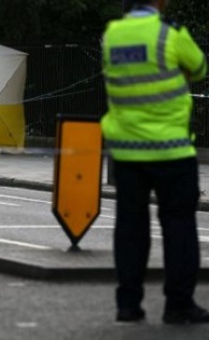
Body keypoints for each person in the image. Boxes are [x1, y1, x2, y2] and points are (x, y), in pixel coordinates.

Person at [101, 0, 209, 324]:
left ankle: (128, 304)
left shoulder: (112, 37)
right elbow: (201, 68)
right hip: (171, 151)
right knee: (178, 228)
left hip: (128, 151)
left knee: (130, 228)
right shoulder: (170, 35)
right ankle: (178, 304)